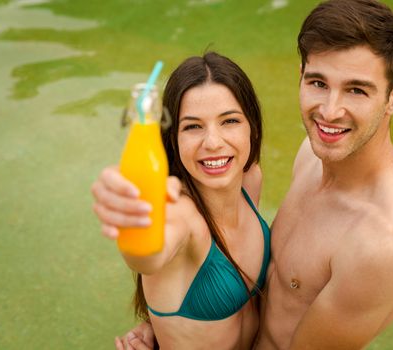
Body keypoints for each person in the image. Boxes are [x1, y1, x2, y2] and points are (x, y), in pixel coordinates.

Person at [115, 0, 393, 349]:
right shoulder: (311, 155)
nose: (329, 110)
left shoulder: (383, 242)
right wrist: (168, 320)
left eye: (356, 89)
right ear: (301, 76)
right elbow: (163, 254)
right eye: (318, 83)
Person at [91, 52, 270, 349]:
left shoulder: (250, 181)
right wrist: (129, 221)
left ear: (251, 125)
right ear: (173, 139)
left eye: (229, 121)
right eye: (193, 126)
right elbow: (146, 257)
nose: (213, 142)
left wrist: (154, 324)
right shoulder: (179, 215)